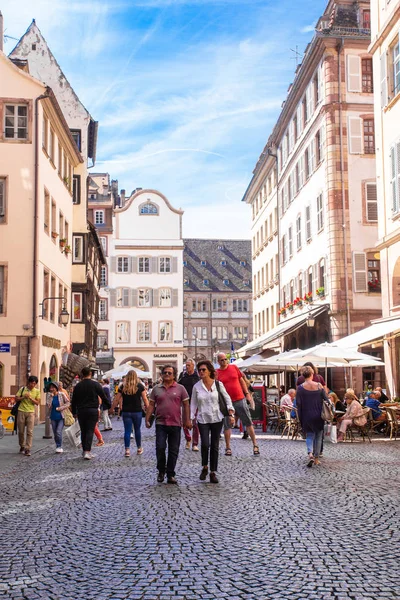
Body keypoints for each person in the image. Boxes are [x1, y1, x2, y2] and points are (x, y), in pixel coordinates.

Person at [145, 365, 191, 484]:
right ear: (161, 374)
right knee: (160, 448)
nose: (167, 375)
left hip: (176, 424)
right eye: (165, 372)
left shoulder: (181, 388)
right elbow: (151, 405)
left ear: (174, 375)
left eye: (169, 373)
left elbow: (186, 405)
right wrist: (147, 418)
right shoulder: (156, 389)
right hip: (161, 423)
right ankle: (161, 470)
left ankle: (170, 474)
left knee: (173, 450)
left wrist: (187, 420)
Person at [191, 360, 235, 483]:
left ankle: (213, 472)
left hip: (217, 417)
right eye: (199, 370)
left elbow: (227, 398)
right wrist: (191, 418)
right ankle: (205, 466)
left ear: (209, 371)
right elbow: (193, 403)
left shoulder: (218, 384)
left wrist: (231, 411)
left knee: (214, 445)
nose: (201, 372)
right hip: (203, 418)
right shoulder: (196, 387)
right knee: (205, 444)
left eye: (203, 370)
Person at [216, 353, 260, 456]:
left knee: (248, 422)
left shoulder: (234, 367)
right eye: (221, 360)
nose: (224, 361)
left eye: (225, 359)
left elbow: (242, 381)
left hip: (240, 399)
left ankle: (255, 444)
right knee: (227, 425)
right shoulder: (217, 373)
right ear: (218, 362)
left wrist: (247, 394)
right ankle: (228, 447)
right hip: (226, 402)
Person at [71, 367, 108, 460]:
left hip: (81, 411)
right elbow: (103, 396)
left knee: (83, 431)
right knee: (90, 431)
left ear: (82, 374)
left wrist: (74, 412)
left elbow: (73, 400)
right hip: (92, 410)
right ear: (90, 373)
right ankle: (87, 451)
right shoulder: (96, 384)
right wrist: (109, 405)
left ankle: (84, 450)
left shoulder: (78, 386)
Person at [296, 366, 328, 467]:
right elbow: (326, 400)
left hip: (306, 415)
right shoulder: (319, 386)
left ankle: (310, 454)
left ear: (302, 375)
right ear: (312, 374)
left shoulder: (300, 388)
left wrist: (300, 418)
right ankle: (317, 458)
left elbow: (298, 404)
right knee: (318, 436)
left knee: (309, 435)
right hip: (318, 415)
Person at [114, 370, 149, 457]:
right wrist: (148, 408)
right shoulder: (140, 386)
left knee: (127, 431)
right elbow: (145, 399)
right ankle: (139, 448)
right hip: (137, 411)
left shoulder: (123, 386)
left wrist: (112, 408)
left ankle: (127, 450)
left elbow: (117, 399)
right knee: (137, 430)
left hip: (126, 412)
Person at [178, 359, 200, 451]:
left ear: (193, 366)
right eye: (186, 365)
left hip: (195, 402)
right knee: (184, 422)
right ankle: (188, 439)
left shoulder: (197, 376)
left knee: (195, 423)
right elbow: (178, 386)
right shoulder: (183, 375)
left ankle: (195, 443)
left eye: (189, 365)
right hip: (185, 402)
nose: (187, 367)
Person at [16, 376, 41, 457]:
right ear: (28, 382)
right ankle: (22, 446)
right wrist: (23, 397)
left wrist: (30, 398)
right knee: (21, 431)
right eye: (31, 383)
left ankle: (27, 448)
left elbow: (37, 403)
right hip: (21, 411)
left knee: (30, 431)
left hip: (31, 412)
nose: (33, 385)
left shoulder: (37, 391)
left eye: (34, 383)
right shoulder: (22, 389)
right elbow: (16, 398)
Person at [46, 381, 70, 453]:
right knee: (55, 433)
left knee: (58, 431)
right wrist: (50, 398)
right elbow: (48, 405)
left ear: (56, 388)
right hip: (53, 417)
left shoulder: (61, 394)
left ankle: (59, 446)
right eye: (50, 388)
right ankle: (57, 445)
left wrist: (60, 408)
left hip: (61, 416)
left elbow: (68, 403)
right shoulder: (49, 396)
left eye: (53, 388)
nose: (51, 389)